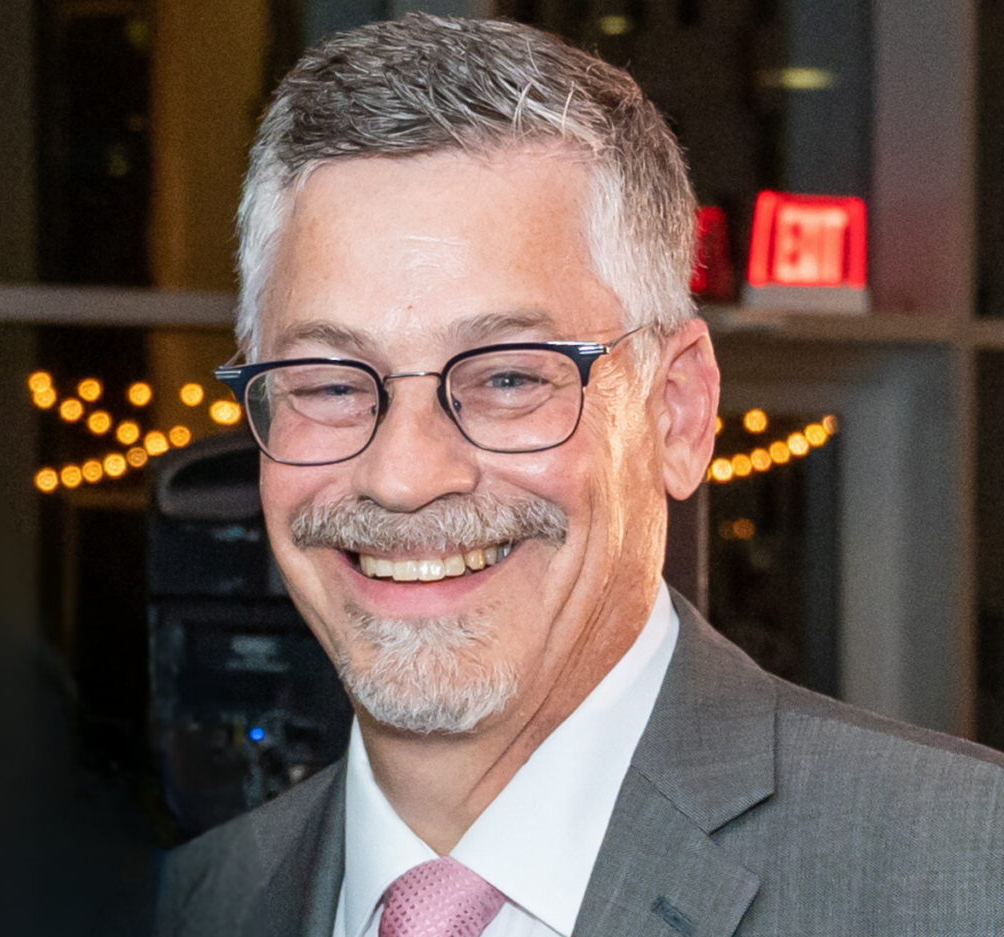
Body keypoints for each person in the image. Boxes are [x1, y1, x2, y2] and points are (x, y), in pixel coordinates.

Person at [155, 13, 1004, 937]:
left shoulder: (967, 874)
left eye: (509, 377)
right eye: (327, 382)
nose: (401, 476)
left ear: (677, 413)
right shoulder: (195, 901)